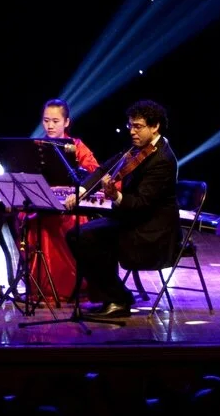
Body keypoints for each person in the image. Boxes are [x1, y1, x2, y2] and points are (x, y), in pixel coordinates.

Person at [62, 100, 180, 318]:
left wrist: (115, 195)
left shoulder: (162, 160)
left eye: (138, 126)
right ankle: (113, 296)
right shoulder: (136, 148)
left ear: (155, 127)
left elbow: (141, 203)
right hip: (131, 220)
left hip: (151, 231)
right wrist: (80, 192)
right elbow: (103, 169)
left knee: (87, 238)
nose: (132, 131)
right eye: (130, 126)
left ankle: (118, 299)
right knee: (77, 234)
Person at [23, 99, 101, 303]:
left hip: (69, 206)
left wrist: (78, 188)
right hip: (41, 204)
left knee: (67, 222)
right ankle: (39, 285)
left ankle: (68, 285)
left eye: (55, 121)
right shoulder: (36, 146)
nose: (49, 125)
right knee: (28, 218)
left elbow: (95, 174)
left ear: (67, 122)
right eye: (46, 120)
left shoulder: (77, 147)